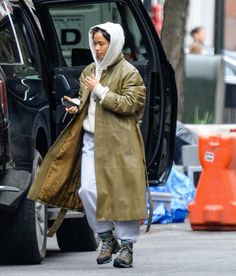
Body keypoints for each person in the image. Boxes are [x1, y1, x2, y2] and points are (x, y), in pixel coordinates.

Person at [28, 22, 147, 268]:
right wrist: (77, 104)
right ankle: (106, 237)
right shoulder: (90, 72)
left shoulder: (129, 72)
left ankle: (126, 247)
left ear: (113, 43)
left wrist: (101, 91)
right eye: (95, 44)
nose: (97, 48)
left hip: (120, 143)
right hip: (91, 141)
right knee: (87, 191)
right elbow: (87, 102)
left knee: (121, 196)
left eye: (102, 43)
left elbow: (131, 104)